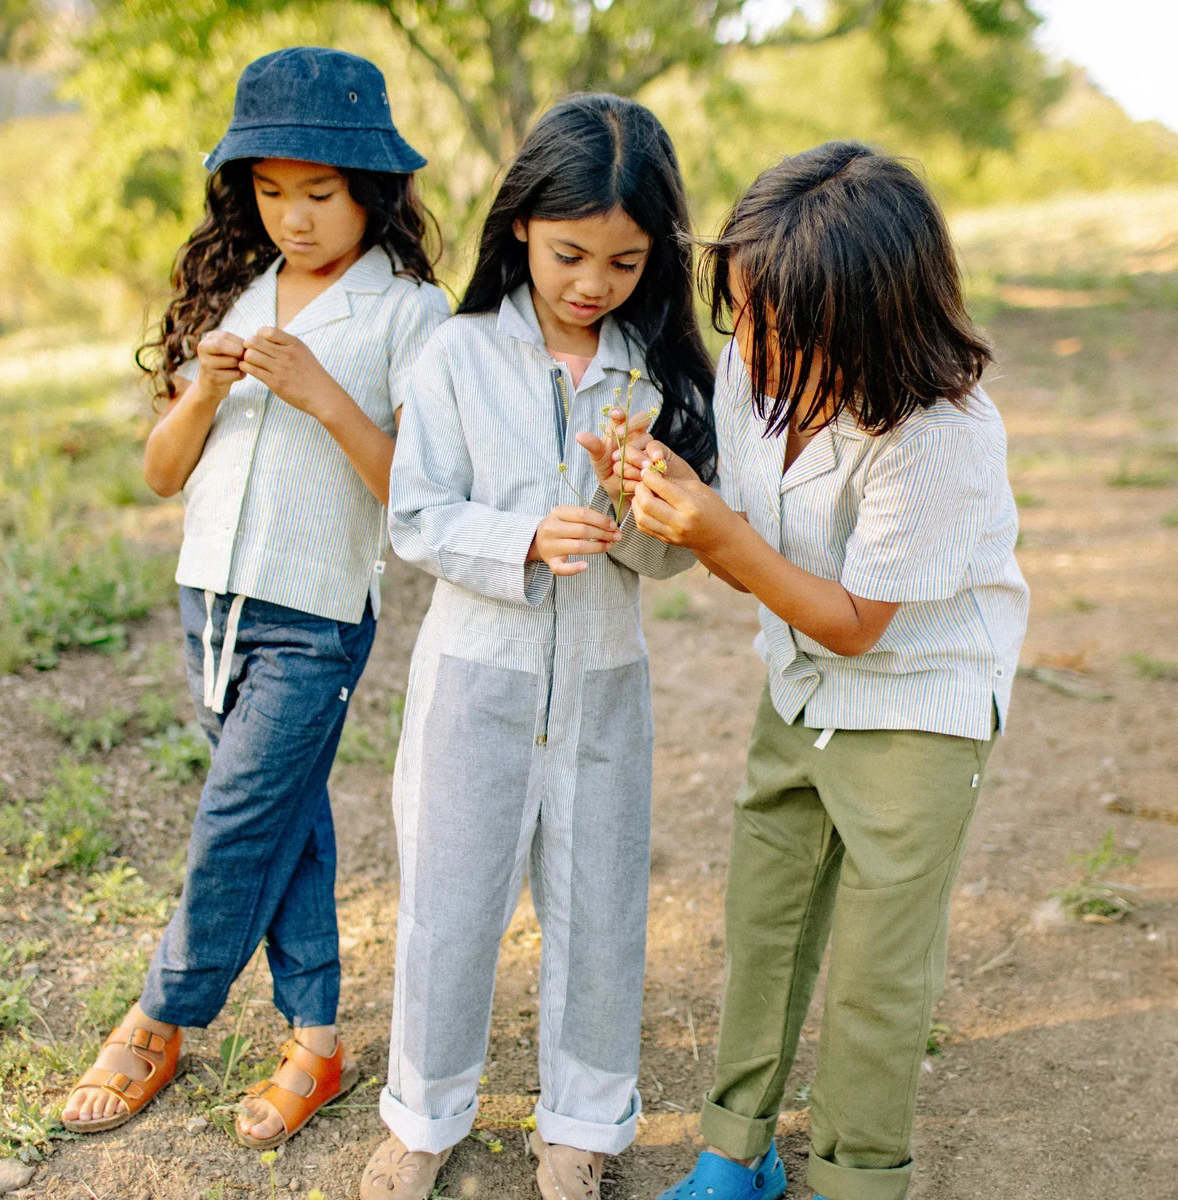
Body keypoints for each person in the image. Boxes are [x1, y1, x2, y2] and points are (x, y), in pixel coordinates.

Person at [60, 46, 450, 1149]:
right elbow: (161, 470)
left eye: (320, 194)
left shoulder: (410, 315)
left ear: (371, 189)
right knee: (286, 819)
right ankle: (317, 1043)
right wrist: (204, 392)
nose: (295, 219)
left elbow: (415, 496)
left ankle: (158, 1016)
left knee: (237, 819)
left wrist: (325, 397)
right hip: (208, 602)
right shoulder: (234, 290)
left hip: (315, 611)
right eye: (271, 192)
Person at [631, 142, 1029, 1200]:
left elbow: (859, 623)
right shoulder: (750, 374)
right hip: (800, 686)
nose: (751, 343)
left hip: (916, 708)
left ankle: (858, 1179)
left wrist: (720, 535)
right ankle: (735, 1150)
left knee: (874, 977)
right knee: (764, 924)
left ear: (871, 322)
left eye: (781, 324)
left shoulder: (941, 432)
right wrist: (682, 502)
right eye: (744, 311)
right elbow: (767, 574)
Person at [360, 94, 717, 1200]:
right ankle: (423, 1116)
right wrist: (519, 534)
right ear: (519, 224)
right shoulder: (456, 356)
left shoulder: (656, 378)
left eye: (621, 259)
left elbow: (673, 557)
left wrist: (643, 504)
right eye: (569, 253)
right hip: (477, 680)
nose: (590, 282)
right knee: (450, 904)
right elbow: (414, 514)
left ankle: (584, 1120)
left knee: (603, 905)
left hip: (606, 682)